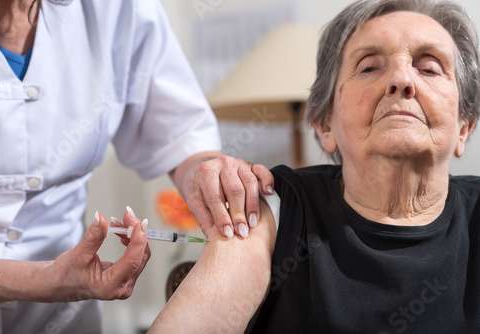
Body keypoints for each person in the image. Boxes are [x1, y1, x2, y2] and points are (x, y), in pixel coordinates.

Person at [148, 0, 480, 333]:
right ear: (324, 125)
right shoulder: (274, 208)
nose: (401, 79)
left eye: (429, 67)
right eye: (369, 67)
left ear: (464, 126)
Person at [0, 0, 274, 333]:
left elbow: (182, 137)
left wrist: (204, 173)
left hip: (66, 319)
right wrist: (46, 280)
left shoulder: (119, 8)